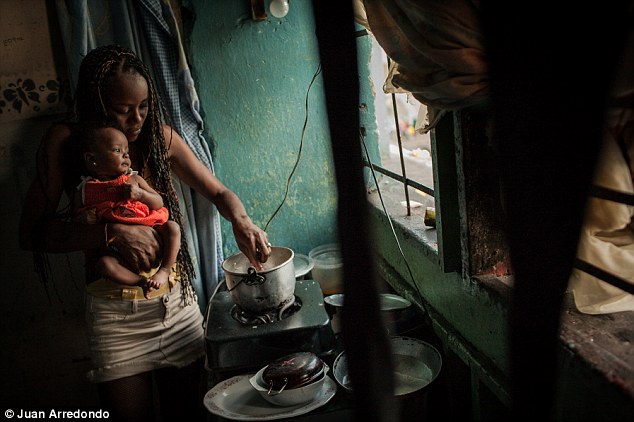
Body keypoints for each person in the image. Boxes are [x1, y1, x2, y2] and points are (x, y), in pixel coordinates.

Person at [19, 45, 271, 421]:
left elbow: (218, 192)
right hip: (116, 317)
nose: (136, 119)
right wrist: (110, 233)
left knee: (185, 414)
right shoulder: (69, 143)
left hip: (176, 307)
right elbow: (32, 234)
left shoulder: (159, 138)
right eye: (123, 110)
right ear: (97, 104)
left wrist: (242, 220)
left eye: (143, 107)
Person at [73, 122, 180, 300]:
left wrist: (141, 195)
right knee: (104, 264)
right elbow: (76, 222)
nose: (125, 154)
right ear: (92, 159)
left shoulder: (134, 179)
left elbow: (158, 202)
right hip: (116, 250)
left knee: (173, 228)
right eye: (117, 150)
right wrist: (83, 218)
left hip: (153, 234)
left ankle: (164, 270)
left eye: (127, 151)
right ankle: (140, 282)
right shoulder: (85, 189)